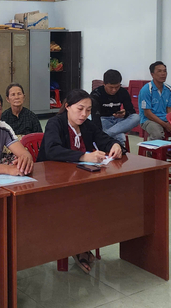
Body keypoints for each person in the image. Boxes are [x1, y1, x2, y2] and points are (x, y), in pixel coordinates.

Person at [37, 89, 123, 274]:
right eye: (80, 109)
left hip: (79, 179)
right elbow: (52, 150)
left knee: (100, 200)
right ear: (67, 106)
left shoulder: (87, 125)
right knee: (78, 205)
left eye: (88, 110)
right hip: (53, 182)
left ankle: (83, 243)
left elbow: (103, 139)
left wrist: (115, 145)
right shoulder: (55, 123)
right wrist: (84, 156)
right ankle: (76, 247)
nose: (84, 114)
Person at [90, 70, 138, 146]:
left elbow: (131, 111)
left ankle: (106, 135)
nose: (114, 90)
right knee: (120, 137)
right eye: (111, 87)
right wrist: (98, 132)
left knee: (137, 117)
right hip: (103, 119)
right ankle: (117, 142)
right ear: (104, 84)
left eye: (117, 87)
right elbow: (95, 117)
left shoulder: (123, 92)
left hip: (118, 120)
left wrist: (125, 114)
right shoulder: (96, 94)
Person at [138, 61, 171, 140]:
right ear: (152, 74)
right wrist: (165, 125)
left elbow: (170, 108)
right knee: (157, 134)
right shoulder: (146, 90)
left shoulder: (169, 89)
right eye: (159, 71)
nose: (163, 74)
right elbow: (147, 113)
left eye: (164, 71)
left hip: (165, 118)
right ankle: (151, 151)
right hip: (148, 120)